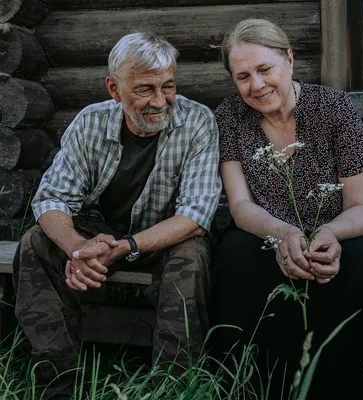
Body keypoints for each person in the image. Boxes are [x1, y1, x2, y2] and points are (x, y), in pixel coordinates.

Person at [12, 32, 222, 399]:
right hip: (100, 230)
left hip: (164, 234)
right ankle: (57, 383)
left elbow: (195, 215)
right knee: (35, 242)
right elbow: (52, 197)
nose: (161, 101)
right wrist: (78, 247)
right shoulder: (90, 122)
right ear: (114, 88)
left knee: (192, 254)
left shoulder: (197, 121)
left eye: (168, 86)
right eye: (145, 89)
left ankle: (172, 387)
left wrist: (125, 247)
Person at [211, 18, 363, 400]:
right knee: (234, 255)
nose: (257, 85)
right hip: (267, 233)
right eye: (243, 76)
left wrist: (329, 234)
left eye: (265, 69)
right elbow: (241, 204)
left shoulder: (334, 107)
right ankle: (254, 387)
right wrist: (284, 235)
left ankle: (362, 387)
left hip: (338, 231)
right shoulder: (230, 115)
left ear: (290, 60)